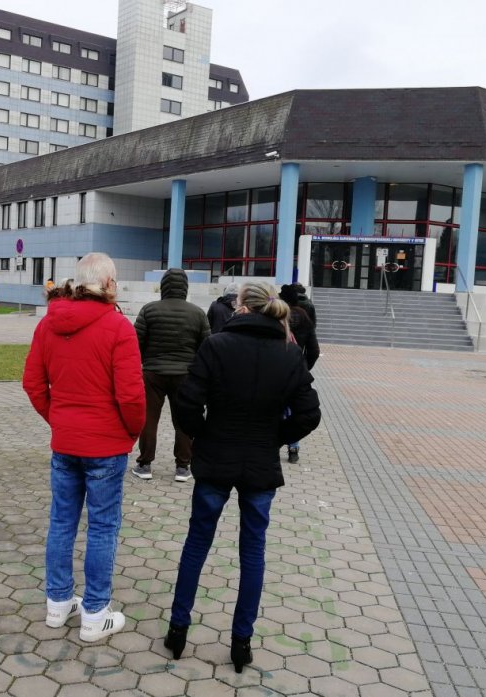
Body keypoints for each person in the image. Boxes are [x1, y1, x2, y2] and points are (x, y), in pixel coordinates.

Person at [164, 280, 321, 673]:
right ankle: (241, 642)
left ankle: (178, 630)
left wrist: (202, 435)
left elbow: (186, 401)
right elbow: (309, 414)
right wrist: (275, 438)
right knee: (252, 551)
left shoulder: (217, 345)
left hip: (216, 457)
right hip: (259, 464)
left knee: (197, 543)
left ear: (242, 307)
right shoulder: (289, 353)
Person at [22, 252, 146, 643]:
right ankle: (94, 612)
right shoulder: (118, 326)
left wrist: (59, 420)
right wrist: (131, 432)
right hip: (105, 445)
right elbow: (131, 396)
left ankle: (58, 603)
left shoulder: (48, 323)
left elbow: (33, 383)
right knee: (103, 526)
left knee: (62, 521)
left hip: (67, 443)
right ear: (108, 283)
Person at [132, 268, 210, 482]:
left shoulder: (149, 310)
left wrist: (145, 363)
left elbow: (135, 343)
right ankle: (183, 467)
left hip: (152, 373)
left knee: (149, 419)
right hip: (185, 375)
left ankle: (145, 464)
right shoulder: (197, 313)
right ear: (185, 287)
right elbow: (206, 348)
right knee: (183, 420)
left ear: (163, 286)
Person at [279, 284, 320, 464]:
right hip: (297, 369)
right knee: (295, 407)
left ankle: (272, 441)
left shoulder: (278, 316)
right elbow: (314, 350)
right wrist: (305, 367)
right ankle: (293, 447)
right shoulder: (305, 317)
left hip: (277, 367)